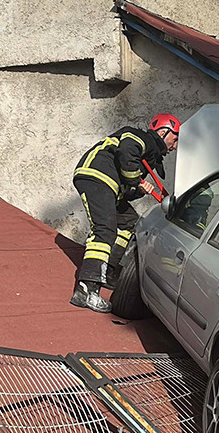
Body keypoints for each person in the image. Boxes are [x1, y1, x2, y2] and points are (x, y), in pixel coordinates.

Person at [70, 113, 180, 313]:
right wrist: (136, 180)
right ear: (164, 132)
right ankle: (86, 289)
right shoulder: (141, 138)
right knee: (104, 230)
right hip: (97, 176)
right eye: (175, 138)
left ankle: (109, 270)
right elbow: (127, 149)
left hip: (109, 186)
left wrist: (138, 188)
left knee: (129, 221)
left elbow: (127, 191)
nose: (175, 145)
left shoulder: (147, 157)